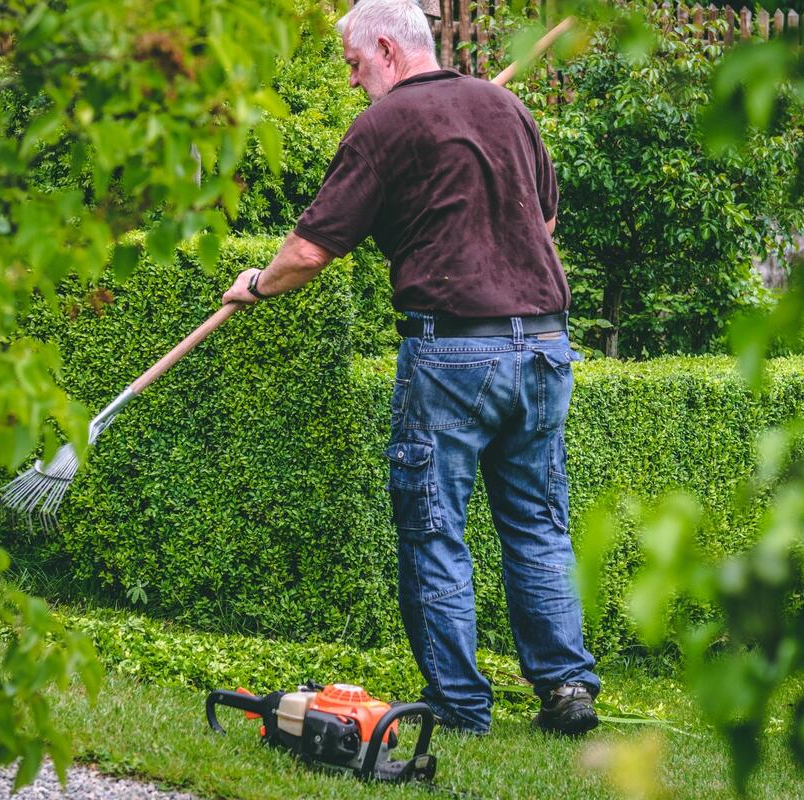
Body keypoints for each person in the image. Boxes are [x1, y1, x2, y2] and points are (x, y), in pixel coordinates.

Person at [222, 0, 600, 736]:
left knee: (433, 529)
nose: (356, 82)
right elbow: (544, 223)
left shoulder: (384, 125)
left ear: (389, 52)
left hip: (454, 351)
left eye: (355, 67)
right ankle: (566, 690)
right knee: (538, 525)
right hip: (545, 346)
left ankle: (461, 707)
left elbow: (310, 249)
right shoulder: (506, 106)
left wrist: (256, 284)